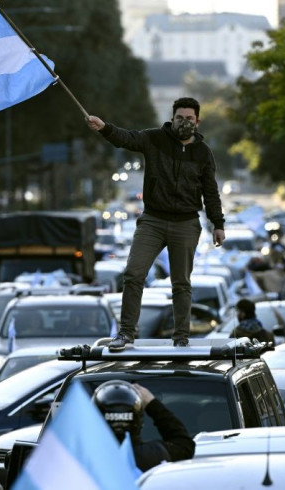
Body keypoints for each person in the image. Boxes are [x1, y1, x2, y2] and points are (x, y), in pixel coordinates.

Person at [86, 97, 226, 350]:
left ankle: (181, 337)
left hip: (186, 223)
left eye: (189, 119)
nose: (184, 123)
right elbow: (126, 138)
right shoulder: (155, 139)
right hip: (153, 220)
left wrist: (218, 223)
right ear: (172, 119)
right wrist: (105, 128)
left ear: (198, 122)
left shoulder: (203, 153)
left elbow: (211, 191)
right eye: (180, 118)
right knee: (133, 273)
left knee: (181, 283)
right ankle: (126, 333)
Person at [92, 380, 194, 472]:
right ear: (139, 420)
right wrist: (152, 404)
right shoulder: (156, 455)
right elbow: (185, 445)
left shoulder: (84, 460)